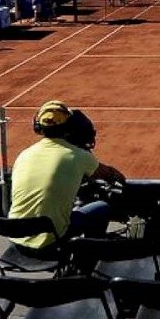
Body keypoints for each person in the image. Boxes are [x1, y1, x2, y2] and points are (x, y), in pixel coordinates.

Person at [9, 101, 126, 250]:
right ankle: (89, 256)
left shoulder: (24, 155)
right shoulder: (78, 156)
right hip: (50, 243)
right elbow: (113, 176)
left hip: (16, 238)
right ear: (68, 127)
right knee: (101, 207)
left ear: (38, 126)